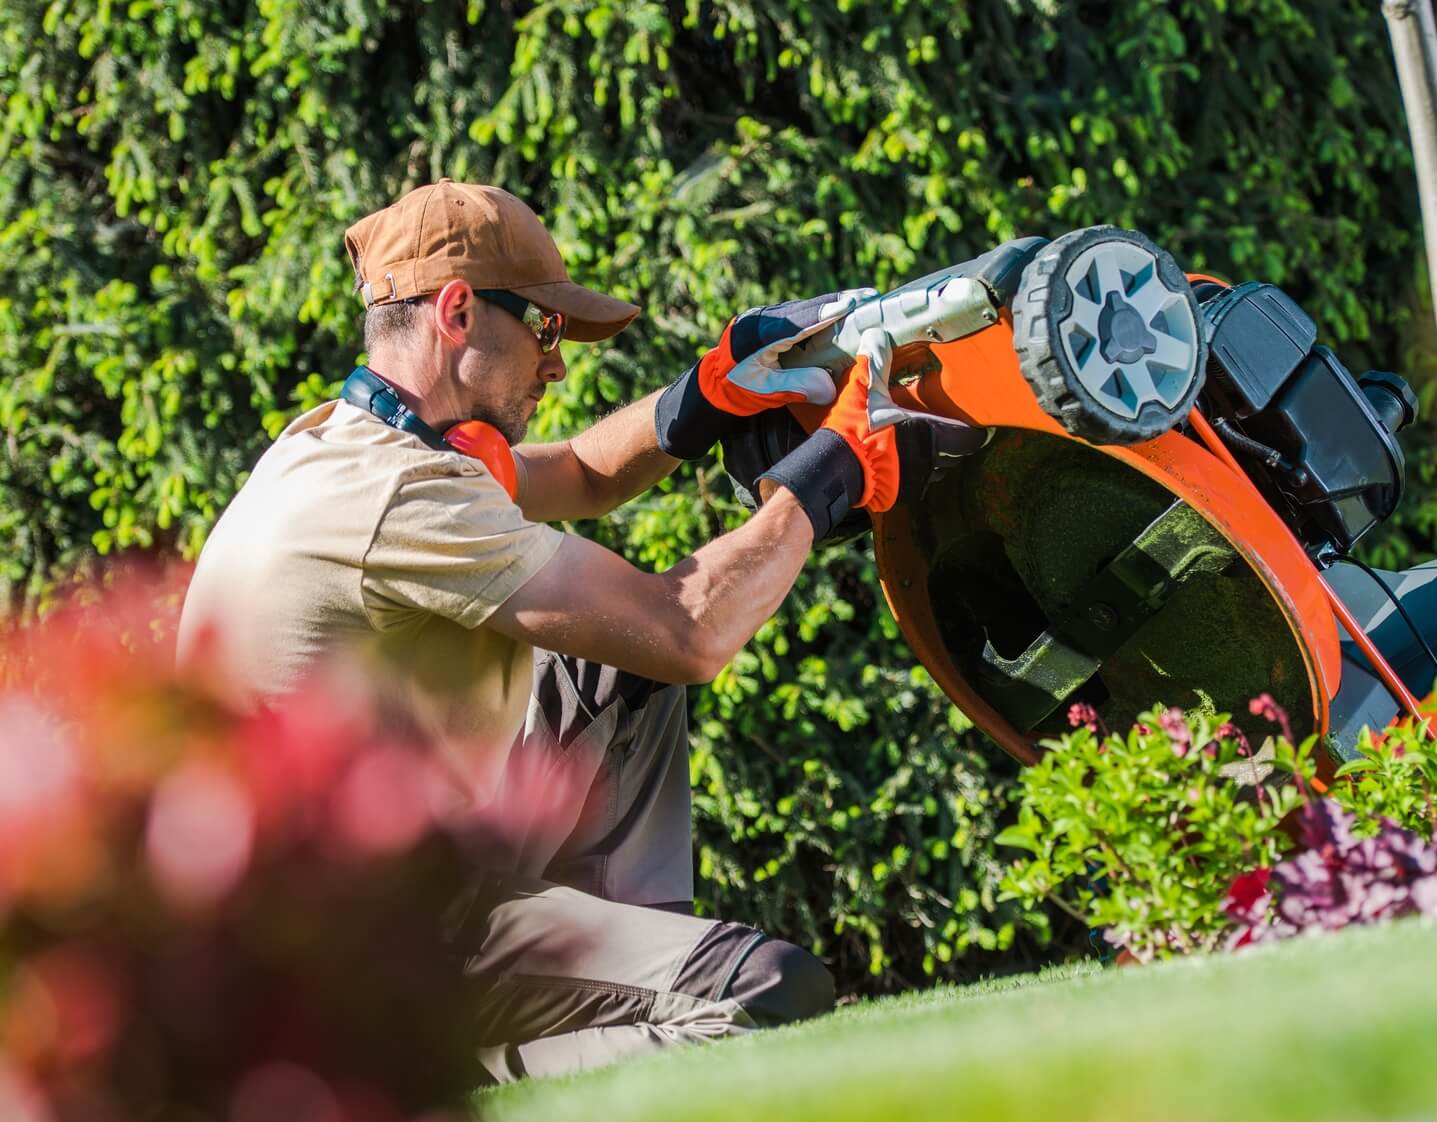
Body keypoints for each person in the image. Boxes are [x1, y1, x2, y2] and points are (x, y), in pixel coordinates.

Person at [176, 179, 977, 1079]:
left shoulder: (340, 446)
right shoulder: (398, 495)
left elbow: (584, 475)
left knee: (614, 667)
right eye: (544, 329)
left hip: (385, 893)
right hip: (364, 958)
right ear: (457, 311)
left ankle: (635, 972)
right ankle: (446, 1076)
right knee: (769, 994)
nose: (555, 365)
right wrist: (834, 469)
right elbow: (688, 629)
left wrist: (707, 397)